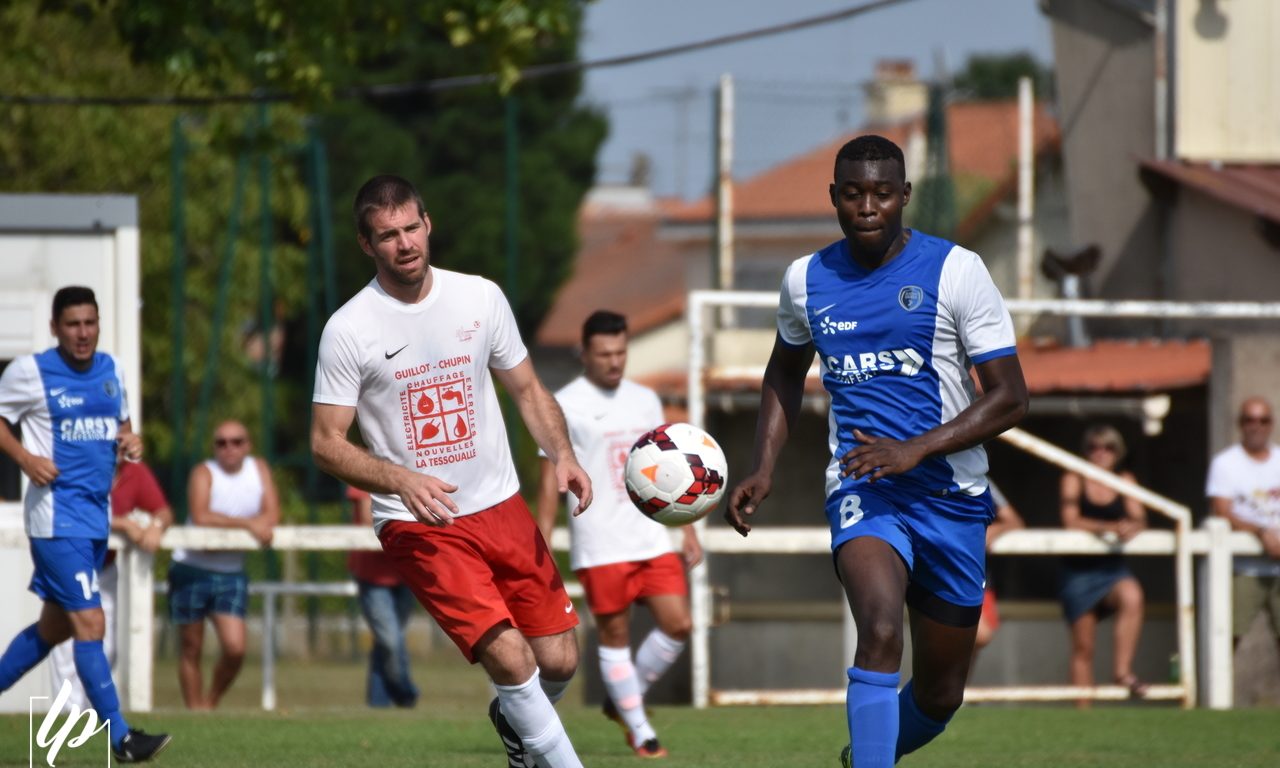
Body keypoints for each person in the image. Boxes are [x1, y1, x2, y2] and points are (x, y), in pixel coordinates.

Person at [724, 135, 1028, 768]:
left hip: (954, 499)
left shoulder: (957, 270)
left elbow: (1011, 399)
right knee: (882, 630)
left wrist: (916, 449)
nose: (868, 207)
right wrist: (764, 464)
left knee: (942, 694)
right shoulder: (806, 279)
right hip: (865, 489)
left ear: (905, 197)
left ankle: (864, 755)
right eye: (854, 194)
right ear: (834, 197)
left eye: (883, 193)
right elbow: (784, 371)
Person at [311, 175, 593, 768]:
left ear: (428, 224)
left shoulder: (480, 297)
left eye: (411, 227)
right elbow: (325, 444)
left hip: (502, 506)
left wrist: (562, 455)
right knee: (512, 661)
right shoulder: (349, 329)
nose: (404, 243)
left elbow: (528, 390)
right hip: (422, 521)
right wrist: (400, 478)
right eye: (387, 236)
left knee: (560, 661)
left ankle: (515, 723)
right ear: (367, 245)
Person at [0, 286, 171, 762]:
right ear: (55, 328)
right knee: (91, 622)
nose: (82, 333)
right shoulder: (30, 372)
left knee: (54, 629)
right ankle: (120, 737)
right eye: (72, 324)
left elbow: (121, 429)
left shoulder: (112, 371)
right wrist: (25, 458)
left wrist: (130, 442)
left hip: (94, 519)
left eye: (89, 323)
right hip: (57, 521)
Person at [535, 310, 703, 759]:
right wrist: (543, 542)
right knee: (615, 639)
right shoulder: (562, 404)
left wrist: (686, 528)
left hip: (649, 535)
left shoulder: (646, 400)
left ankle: (622, 702)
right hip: (600, 540)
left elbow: (668, 471)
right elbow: (549, 479)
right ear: (585, 354)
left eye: (621, 352)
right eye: (605, 354)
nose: (614, 361)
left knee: (679, 625)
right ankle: (640, 728)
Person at [167, 419, 279, 710]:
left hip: (231, 572)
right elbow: (201, 516)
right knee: (191, 648)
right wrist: (248, 524)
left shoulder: (259, 470)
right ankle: (194, 712)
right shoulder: (204, 473)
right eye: (221, 442)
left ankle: (209, 704)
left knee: (235, 648)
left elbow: (271, 515)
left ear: (248, 445)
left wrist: (255, 525)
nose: (229, 448)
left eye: (237, 441)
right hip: (191, 567)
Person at [49, 451, 173, 710]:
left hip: (103, 571)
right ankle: (68, 719)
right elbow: (69, 511)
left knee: (107, 647)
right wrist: (123, 524)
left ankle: (90, 716)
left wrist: (156, 525)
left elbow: (163, 510)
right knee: (64, 651)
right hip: (69, 565)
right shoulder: (73, 465)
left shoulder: (132, 472)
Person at [1058, 424, 1148, 704]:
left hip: (1112, 570)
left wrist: (1130, 527)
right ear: (1085, 452)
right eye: (1094, 447)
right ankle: (1084, 714)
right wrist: (1108, 526)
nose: (1100, 453)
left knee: (1132, 595)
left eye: (1107, 447)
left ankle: (1122, 671)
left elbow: (1140, 518)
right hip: (1078, 572)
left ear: (1117, 452)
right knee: (1084, 647)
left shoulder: (1125, 480)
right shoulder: (1074, 477)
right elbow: (1071, 521)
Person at [1206, 397, 1280, 658]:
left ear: (1271, 424)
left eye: (1263, 420)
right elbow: (1222, 511)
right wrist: (1262, 533)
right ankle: (1213, 696)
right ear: (1240, 424)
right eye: (1250, 419)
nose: (1256, 426)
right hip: (1244, 567)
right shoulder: (1226, 463)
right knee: (1226, 638)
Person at [347, 485, 420, 708]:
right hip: (372, 575)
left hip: (406, 572)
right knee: (390, 640)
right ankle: (406, 695)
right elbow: (369, 520)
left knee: (388, 641)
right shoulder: (362, 471)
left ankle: (378, 702)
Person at [973, 484, 1024, 659]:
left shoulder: (981, 480)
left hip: (975, 578)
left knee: (971, 645)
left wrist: (990, 530)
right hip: (939, 573)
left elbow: (1014, 521)